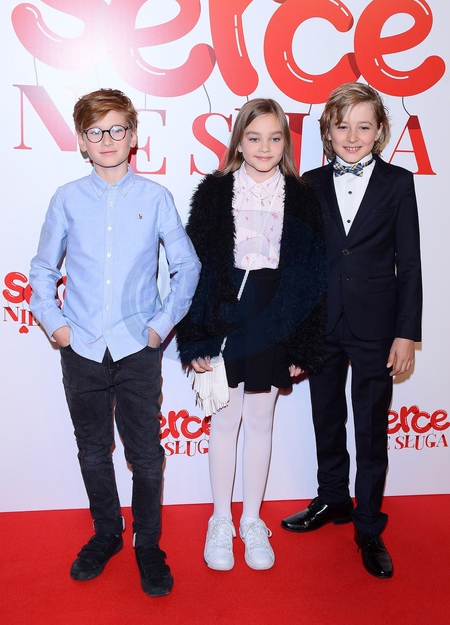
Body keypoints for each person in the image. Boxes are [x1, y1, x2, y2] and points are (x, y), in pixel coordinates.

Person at [29, 88, 201, 597]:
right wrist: (56, 325)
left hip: (137, 349)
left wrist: (160, 326)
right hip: (80, 348)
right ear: (82, 141)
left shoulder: (155, 197)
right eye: (95, 131)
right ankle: (107, 533)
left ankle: (148, 544)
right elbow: (42, 270)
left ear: (133, 136)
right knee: (92, 450)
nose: (107, 139)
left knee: (145, 455)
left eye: (117, 129)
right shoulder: (66, 198)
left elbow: (187, 265)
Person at [176, 98, 327, 571]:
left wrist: (304, 341)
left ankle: (252, 520)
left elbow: (313, 274)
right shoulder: (215, 191)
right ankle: (220, 520)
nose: (264, 147)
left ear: (286, 143)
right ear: (238, 141)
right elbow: (195, 267)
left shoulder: (301, 196)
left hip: (277, 314)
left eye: (275, 138)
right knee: (225, 421)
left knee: (261, 419)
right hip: (225, 313)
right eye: (254, 137)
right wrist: (196, 335)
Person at [281, 82, 422, 579]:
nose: (353, 136)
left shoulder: (398, 183)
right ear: (327, 131)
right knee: (326, 417)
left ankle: (368, 525)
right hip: (323, 323)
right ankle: (333, 499)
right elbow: (299, 264)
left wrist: (406, 334)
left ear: (380, 131)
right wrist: (298, 331)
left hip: (377, 327)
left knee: (371, 428)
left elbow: (410, 263)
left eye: (364, 126)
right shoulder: (309, 184)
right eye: (343, 126)